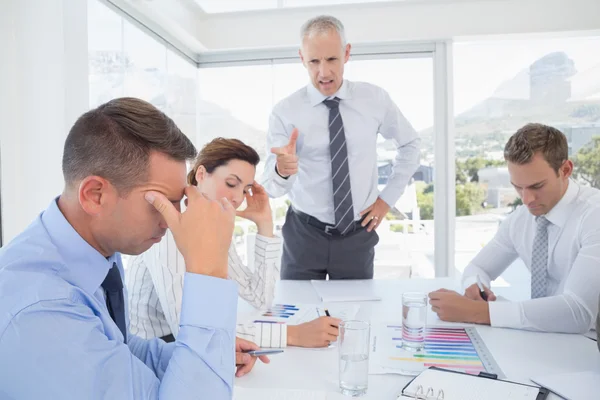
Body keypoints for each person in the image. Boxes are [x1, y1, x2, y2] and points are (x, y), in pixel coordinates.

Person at [0, 97, 264, 399]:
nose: (173, 220)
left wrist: (200, 353)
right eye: (161, 203)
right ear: (96, 195)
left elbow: (118, 346)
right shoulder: (42, 315)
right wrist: (209, 270)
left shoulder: (92, 250)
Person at [127, 138, 341, 351]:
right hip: (155, 350)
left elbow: (259, 298)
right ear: (200, 175)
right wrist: (292, 334)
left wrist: (265, 225)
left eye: (246, 189)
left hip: (188, 343)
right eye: (231, 184)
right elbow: (189, 328)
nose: (238, 197)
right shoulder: (171, 224)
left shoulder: (214, 223)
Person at [262, 15, 420, 280]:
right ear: (302, 58)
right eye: (314, 61)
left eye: (331, 59)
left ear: (346, 53)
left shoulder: (374, 99)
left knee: (353, 317)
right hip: (304, 234)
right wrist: (281, 170)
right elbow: (272, 188)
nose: (323, 72)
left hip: (357, 235)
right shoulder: (285, 112)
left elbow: (410, 144)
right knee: (299, 315)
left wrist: (385, 201)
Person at [429, 123, 600, 334]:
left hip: (590, 347)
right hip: (544, 340)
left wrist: (477, 312)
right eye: (518, 187)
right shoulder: (521, 219)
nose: (527, 199)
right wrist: (476, 287)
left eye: (537, 186)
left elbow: (578, 312)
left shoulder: (594, 215)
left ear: (565, 170)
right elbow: (477, 268)